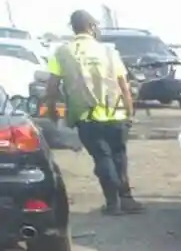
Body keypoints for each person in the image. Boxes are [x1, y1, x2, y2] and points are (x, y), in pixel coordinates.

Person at [42, 11, 144, 214]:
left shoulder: (62, 53)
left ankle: (113, 203)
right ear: (92, 26)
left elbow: (52, 86)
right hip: (116, 115)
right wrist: (130, 112)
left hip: (87, 117)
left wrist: (52, 109)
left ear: (73, 27)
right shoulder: (108, 51)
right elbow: (124, 85)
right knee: (119, 156)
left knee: (102, 158)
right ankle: (126, 199)